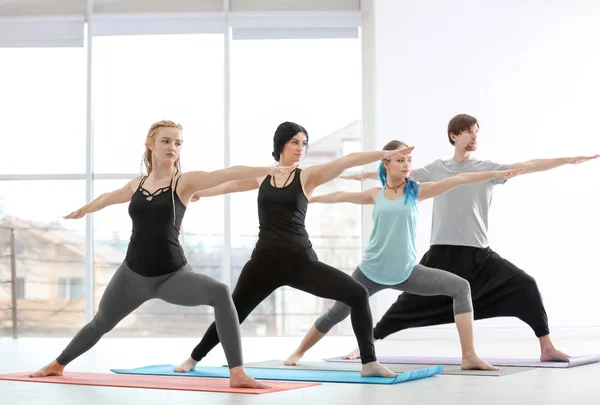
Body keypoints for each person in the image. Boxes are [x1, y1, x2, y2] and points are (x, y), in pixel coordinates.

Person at [29, 120, 298, 389]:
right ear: (151, 144)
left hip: (173, 276)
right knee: (100, 322)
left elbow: (227, 173)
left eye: (178, 143)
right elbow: (109, 196)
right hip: (131, 275)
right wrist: (84, 209)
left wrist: (270, 169)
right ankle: (57, 364)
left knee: (219, 291)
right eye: (166, 141)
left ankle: (237, 373)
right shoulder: (138, 184)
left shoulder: (184, 182)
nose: (172, 147)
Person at [340, 114, 598, 361]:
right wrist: (363, 175)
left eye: (476, 131)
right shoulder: (437, 169)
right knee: (407, 303)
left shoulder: (487, 169)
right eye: (468, 131)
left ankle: (547, 347)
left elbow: (528, 166)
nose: (474, 136)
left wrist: (567, 159)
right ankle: (365, 345)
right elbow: (396, 175)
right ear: (453, 136)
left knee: (525, 285)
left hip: (478, 253)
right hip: (442, 251)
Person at [175, 121, 413, 378]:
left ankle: (369, 362)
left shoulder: (307, 176)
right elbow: (227, 185)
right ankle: (193, 357)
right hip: (263, 264)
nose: (301, 148)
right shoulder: (263, 175)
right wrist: (198, 191)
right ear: (281, 145)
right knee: (233, 311)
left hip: (301, 263)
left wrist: (384, 154)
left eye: (304, 144)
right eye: (295, 142)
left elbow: (347, 160)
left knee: (357, 294)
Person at [284, 140, 523, 370]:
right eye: (401, 160)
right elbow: (338, 197)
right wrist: (308, 198)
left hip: (406, 272)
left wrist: (495, 174)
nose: (407, 164)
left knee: (461, 287)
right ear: (386, 163)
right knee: (336, 312)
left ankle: (469, 356)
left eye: (409, 160)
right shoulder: (375, 194)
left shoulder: (417, 191)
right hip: (370, 271)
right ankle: (298, 352)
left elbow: (460, 179)